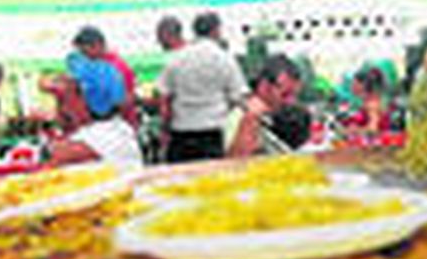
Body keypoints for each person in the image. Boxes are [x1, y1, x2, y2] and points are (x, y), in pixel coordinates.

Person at [156, 11, 248, 162]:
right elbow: (238, 97)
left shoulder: (176, 59)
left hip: (180, 133)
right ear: (216, 30)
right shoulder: (224, 59)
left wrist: (165, 130)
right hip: (212, 134)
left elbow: (165, 101)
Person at [41, 53, 144, 170]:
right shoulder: (117, 128)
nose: (64, 106)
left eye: (67, 98)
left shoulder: (104, 136)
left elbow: (56, 156)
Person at [228, 54, 310, 157]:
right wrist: (250, 120)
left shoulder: (277, 117)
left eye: (294, 95)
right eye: (285, 94)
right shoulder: (237, 117)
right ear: (264, 87)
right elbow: (232, 164)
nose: (291, 102)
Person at [73, 26, 139, 127]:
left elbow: (127, 100)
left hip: (116, 125)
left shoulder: (116, 67)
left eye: (84, 52)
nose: (83, 56)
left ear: (98, 45)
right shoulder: (93, 66)